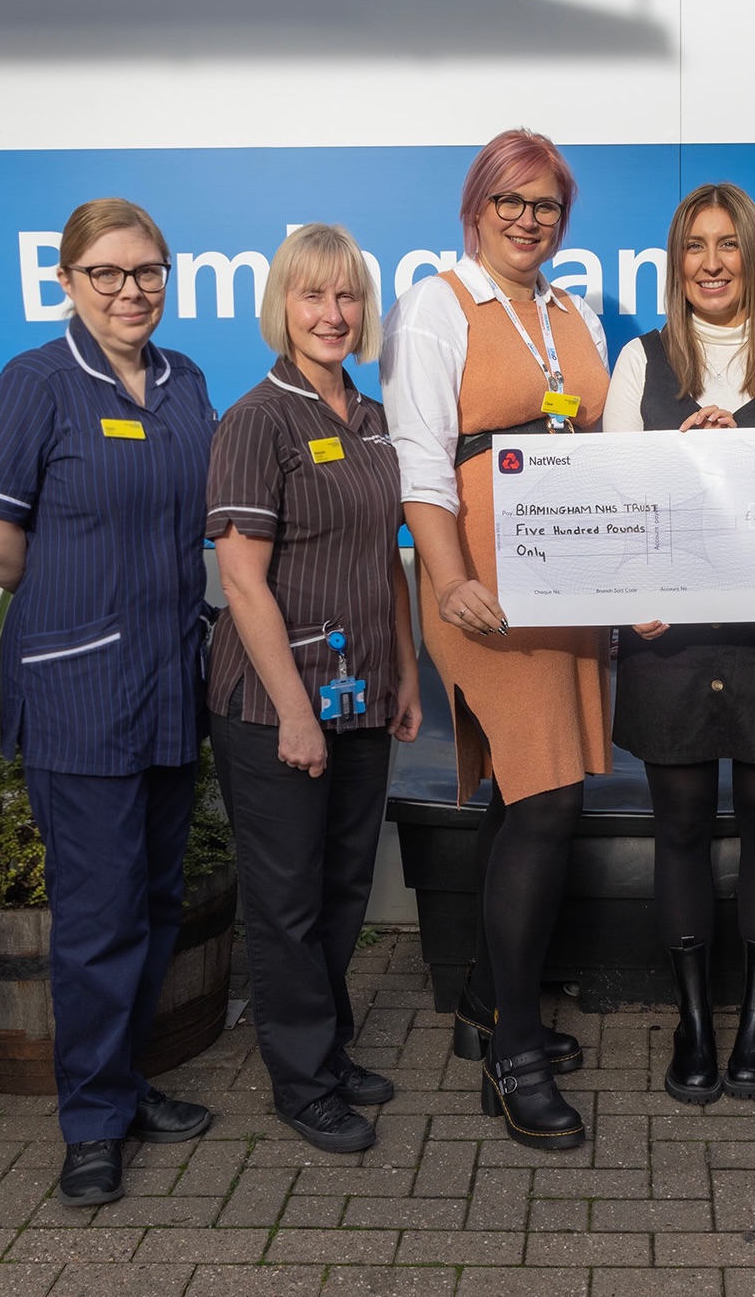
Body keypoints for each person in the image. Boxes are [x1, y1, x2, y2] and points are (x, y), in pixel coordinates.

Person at [0, 198, 216, 1207]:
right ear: (67, 282)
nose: (129, 290)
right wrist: (70, 590)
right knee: (98, 918)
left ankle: (129, 1082)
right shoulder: (37, 385)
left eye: (146, 270)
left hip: (169, 686)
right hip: (82, 691)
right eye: (106, 273)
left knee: (151, 903)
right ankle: (92, 1122)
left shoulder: (185, 381)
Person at [381, 128, 609, 1150]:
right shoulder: (438, 303)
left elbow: (607, 449)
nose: (529, 220)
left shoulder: (575, 311)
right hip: (485, 587)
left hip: (570, 579)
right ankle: (514, 1053)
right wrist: (449, 574)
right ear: (477, 208)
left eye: (546, 205)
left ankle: (482, 1001)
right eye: (511, 202)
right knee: (548, 797)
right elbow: (419, 455)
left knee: (530, 796)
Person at [601, 182, 755, 1103]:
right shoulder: (640, 361)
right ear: (677, 262)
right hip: (669, 641)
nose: (710, 262)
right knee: (679, 833)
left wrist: (732, 448)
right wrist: (636, 592)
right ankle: (694, 1021)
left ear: (753, 256)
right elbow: (621, 496)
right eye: (694, 246)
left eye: (727, 244)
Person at [206, 223, 424, 1154]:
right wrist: (294, 709)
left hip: (365, 693)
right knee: (287, 900)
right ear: (281, 308)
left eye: (346, 297)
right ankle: (301, 1080)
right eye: (312, 296)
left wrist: (409, 673)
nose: (332, 315)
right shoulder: (258, 420)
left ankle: (327, 1045)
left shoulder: (372, 417)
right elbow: (241, 580)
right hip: (276, 707)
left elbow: (389, 560)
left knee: (341, 887)